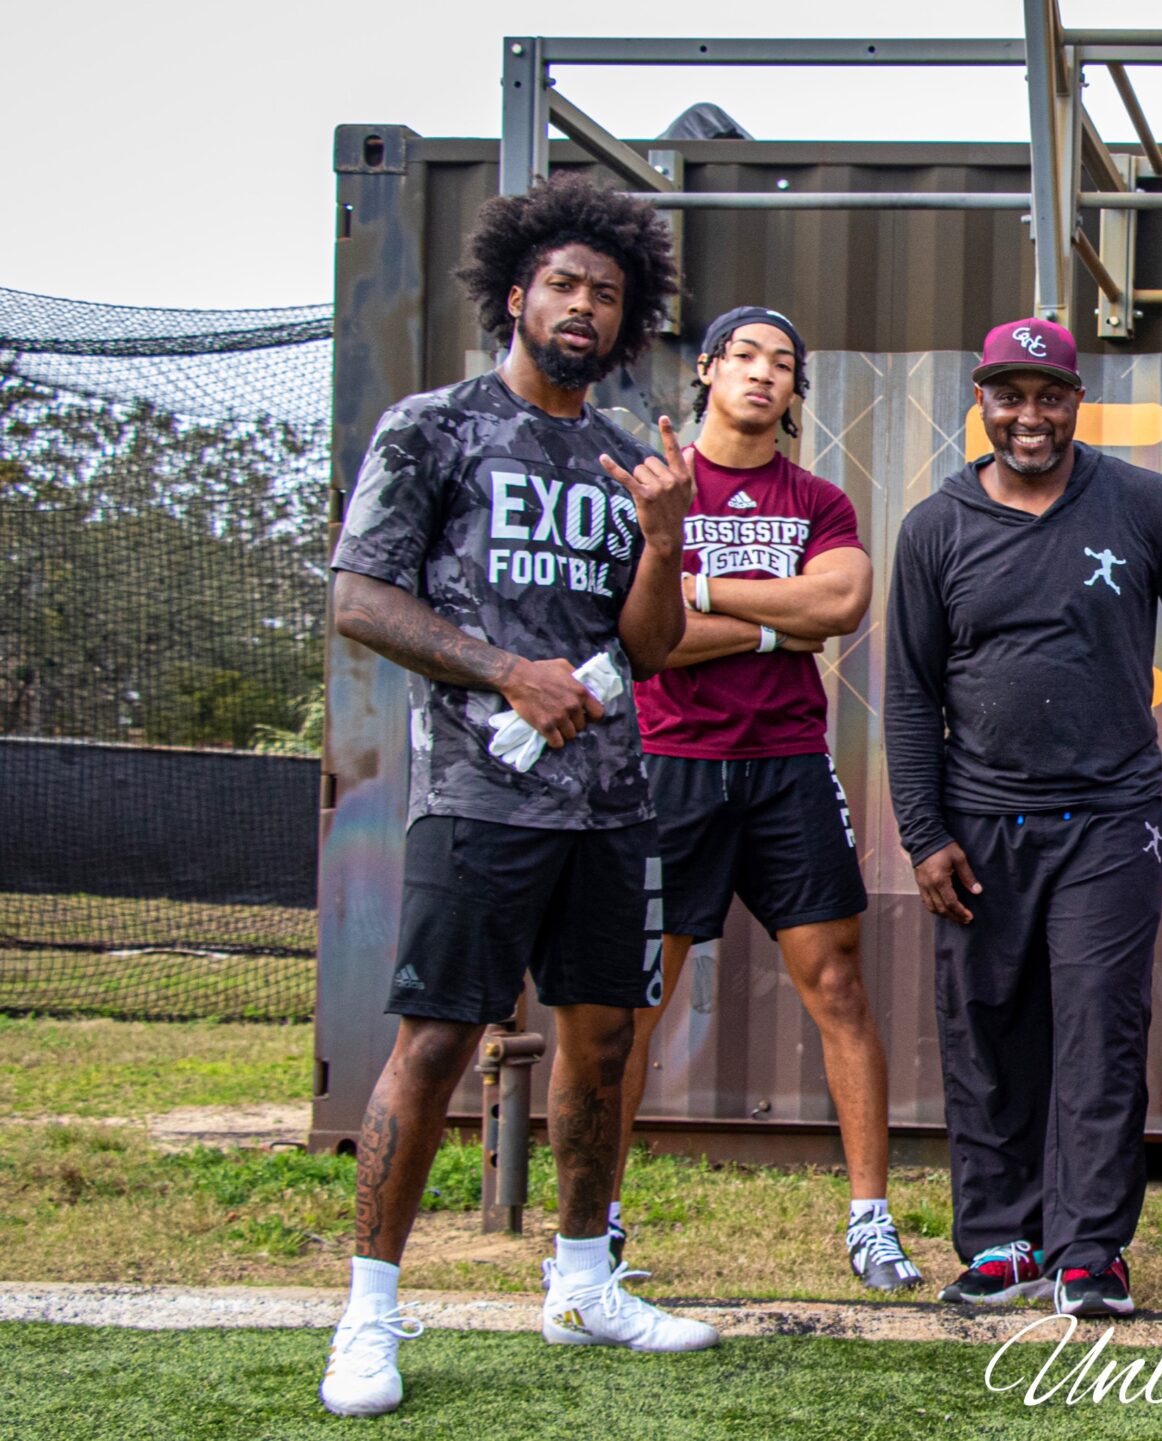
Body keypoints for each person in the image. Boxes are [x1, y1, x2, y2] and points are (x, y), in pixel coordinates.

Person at [320, 174, 713, 1418]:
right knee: (437, 1039)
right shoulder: (434, 427)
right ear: (515, 296)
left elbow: (650, 650)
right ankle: (369, 1311)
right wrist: (506, 671)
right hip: (476, 796)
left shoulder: (633, 453)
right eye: (563, 285)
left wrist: (665, 536)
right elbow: (360, 597)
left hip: (611, 804)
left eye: (607, 292)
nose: (584, 306)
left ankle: (584, 1283)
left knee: (602, 1046)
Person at [884, 318, 1162, 1319]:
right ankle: (1002, 1243)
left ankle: (1089, 1252)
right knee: (988, 1032)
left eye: (1049, 396)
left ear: (1076, 401)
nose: (1030, 415)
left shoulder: (1139, 503)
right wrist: (923, 834)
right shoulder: (934, 527)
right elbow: (911, 695)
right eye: (1010, 396)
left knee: (1098, 1029)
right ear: (982, 400)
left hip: (1109, 819)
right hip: (980, 826)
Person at [607, 304, 921, 1291]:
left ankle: (870, 1224)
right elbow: (642, 639)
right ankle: (595, 1224)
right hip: (670, 764)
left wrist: (699, 591)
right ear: (707, 369)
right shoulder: (658, 486)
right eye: (744, 355)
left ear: (794, 390)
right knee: (634, 1001)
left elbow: (840, 602)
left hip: (788, 765)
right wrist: (774, 623)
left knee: (839, 987)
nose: (762, 373)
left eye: (782, 363)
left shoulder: (818, 500)